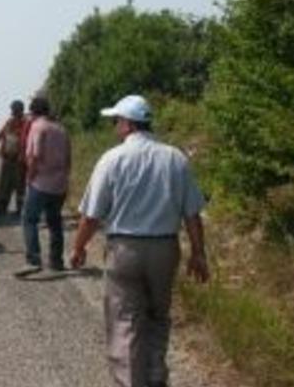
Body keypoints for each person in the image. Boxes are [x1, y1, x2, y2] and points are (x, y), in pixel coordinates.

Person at [69, 94, 210, 387]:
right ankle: (156, 378)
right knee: (158, 317)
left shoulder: (112, 159)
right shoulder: (175, 158)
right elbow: (192, 215)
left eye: (116, 121)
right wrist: (198, 253)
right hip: (164, 249)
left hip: (125, 251)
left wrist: (79, 247)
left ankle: (132, 382)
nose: (114, 126)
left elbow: (92, 215)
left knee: (125, 323)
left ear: (128, 124)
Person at [16, 97, 71, 276]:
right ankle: (56, 261)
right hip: (60, 185)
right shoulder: (61, 129)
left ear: (33, 112)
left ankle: (33, 260)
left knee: (29, 219)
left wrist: (29, 179)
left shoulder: (37, 127)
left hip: (40, 183)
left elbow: (34, 156)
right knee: (55, 222)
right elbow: (69, 159)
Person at [0, 100, 28, 216]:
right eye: (13, 109)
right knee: (4, 185)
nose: (13, 111)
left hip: (19, 161)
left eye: (15, 109)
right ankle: (2, 208)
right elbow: (1, 134)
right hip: (7, 160)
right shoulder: (9, 123)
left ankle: (19, 210)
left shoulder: (26, 124)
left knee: (20, 187)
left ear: (21, 110)